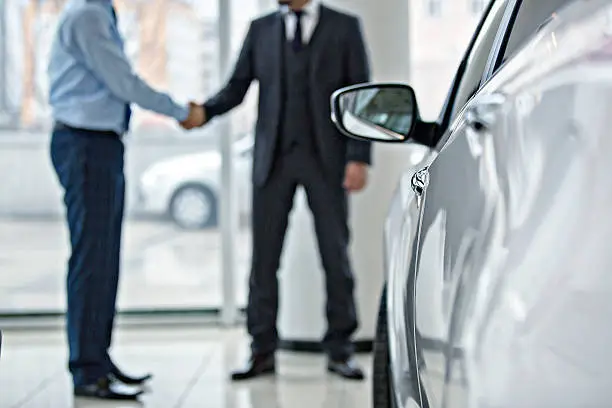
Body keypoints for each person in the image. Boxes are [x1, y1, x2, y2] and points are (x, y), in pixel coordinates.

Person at [200, 0, 372, 381]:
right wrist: (204, 112)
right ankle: (261, 351)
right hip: (273, 160)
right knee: (264, 261)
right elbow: (236, 87)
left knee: (335, 257)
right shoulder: (260, 29)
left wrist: (359, 157)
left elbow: (361, 94)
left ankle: (340, 349)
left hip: (327, 161)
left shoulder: (344, 27)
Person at [47, 0, 204, 400]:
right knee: (92, 258)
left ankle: (98, 359)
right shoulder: (87, 15)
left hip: (96, 144)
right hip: (86, 144)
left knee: (102, 258)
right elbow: (123, 81)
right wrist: (179, 111)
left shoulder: (98, 12)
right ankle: (87, 369)